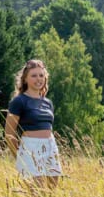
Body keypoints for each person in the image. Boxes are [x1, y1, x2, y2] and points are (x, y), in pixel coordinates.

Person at [5, 59, 62, 189]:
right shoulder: (19, 101)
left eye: (41, 75)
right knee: (37, 191)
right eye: (34, 75)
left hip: (50, 146)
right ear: (25, 79)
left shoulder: (48, 103)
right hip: (30, 148)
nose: (38, 79)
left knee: (52, 189)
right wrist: (19, 156)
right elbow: (9, 133)